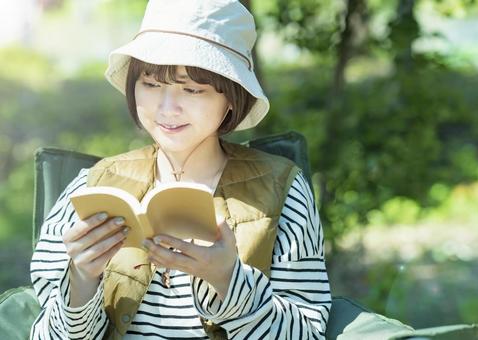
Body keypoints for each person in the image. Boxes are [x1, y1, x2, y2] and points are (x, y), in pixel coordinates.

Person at [29, 0, 331, 339]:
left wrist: (229, 281)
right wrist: (82, 279)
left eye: (192, 89)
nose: (167, 108)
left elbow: (307, 333)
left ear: (232, 97)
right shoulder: (93, 185)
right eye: (152, 84)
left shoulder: (283, 190)